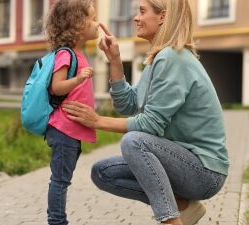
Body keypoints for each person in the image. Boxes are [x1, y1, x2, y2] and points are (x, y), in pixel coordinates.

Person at [62, 0, 229, 224]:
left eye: (142, 11)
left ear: (162, 17)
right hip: (181, 161)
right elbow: (129, 105)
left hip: (205, 171)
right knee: (103, 172)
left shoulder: (173, 57)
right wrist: (115, 60)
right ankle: (182, 206)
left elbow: (150, 124)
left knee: (134, 142)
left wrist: (97, 121)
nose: (135, 18)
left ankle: (171, 220)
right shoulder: (157, 58)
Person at [43, 0, 99, 224]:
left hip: (70, 131)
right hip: (63, 129)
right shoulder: (66, 54)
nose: (97, 24)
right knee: (60, 181)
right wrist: (78, 79)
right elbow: (56, 86)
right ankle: (57, 221)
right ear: (77, 24)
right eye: (92, 19)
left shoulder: (78, 54)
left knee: (62, 179)